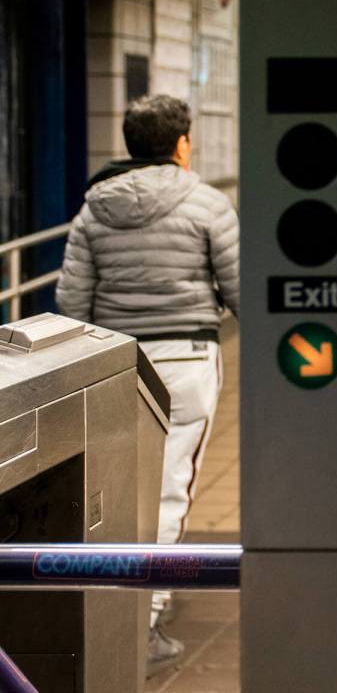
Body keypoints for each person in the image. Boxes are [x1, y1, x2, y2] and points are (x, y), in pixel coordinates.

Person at [55, 94, 239, 677]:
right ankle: (145, 622)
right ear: (181, 144)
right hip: (186, 360)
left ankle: (115, 600)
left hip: (115, 361)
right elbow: (244, 293)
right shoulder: (207, 202)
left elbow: (70, 303)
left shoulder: (92, 210)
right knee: (170, 487)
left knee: (114, 484)